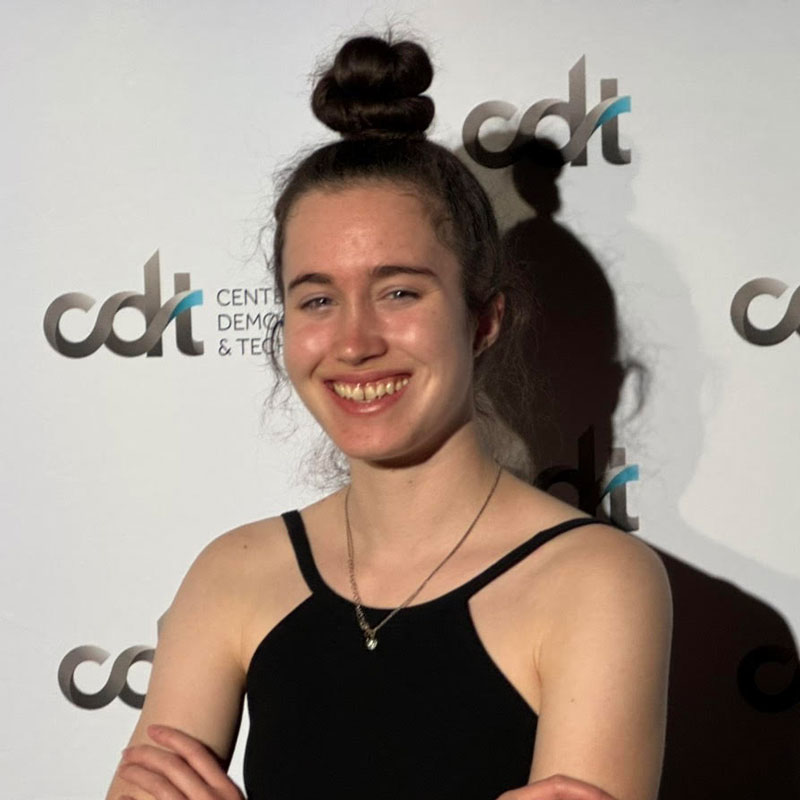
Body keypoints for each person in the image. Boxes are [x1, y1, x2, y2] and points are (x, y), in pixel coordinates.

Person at [106, 33, 672, 800]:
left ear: (484, 319)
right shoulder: (230, 575)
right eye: (316, 299)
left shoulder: (598, 582)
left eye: (399, 291)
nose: (354, 342)